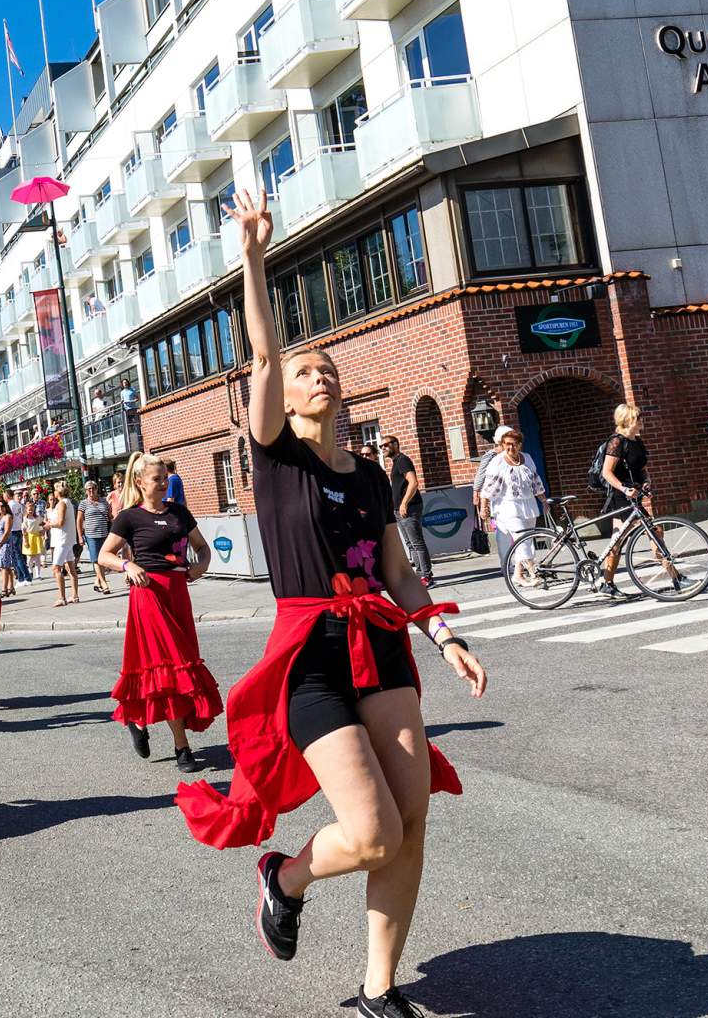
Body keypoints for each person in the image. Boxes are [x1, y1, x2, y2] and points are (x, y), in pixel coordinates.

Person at [174, 189, 486, 1018]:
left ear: (343, 395)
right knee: (373, 829)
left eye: (329, 372)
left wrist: (442, 634)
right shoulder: (277, 457)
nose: (318, 377)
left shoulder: (372, 474)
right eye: (308, 371)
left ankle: (378, 990)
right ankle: (284, 876)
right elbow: (266, 355)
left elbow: (398, 568)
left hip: (381, 644)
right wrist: (252, 256)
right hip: (310, 651)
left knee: (411, 821)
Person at [96, 451, 220, 774]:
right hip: (148, 596)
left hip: (178, 595)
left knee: (179, 665)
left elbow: (202, 547)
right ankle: (182, 747)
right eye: (157, 479)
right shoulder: (129, 517)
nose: (164, 483)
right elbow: (104, 555)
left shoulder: (179, 512)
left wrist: (201, 566)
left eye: (165, 477)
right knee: (170, 669)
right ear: (140, 482)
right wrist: (128, 564)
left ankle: (137, 719)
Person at [594, 404, 689, 597]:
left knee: (618, 541)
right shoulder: (616, 442)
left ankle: (606, 583)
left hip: (634, 494)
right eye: (638, 418)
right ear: (629, 420)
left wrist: (646, 481)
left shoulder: (636, 441)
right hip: (621, 496)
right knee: (655, 531)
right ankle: (676, 578)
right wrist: (624, 488)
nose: (642, 421)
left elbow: (640, 468)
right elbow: (606, 472)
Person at [478, 427, 547, 585]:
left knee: (527, 542)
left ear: (520, 445)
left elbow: (535, 481)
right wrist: (484, 507)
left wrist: (543, 500)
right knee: (521, 540)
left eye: (514, 444)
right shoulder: (498, 461)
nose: (511, 447)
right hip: (508, 506)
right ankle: (533, 572)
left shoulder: (527, 458)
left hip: (528, 505)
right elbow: (488, 487)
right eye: (507, 444)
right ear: (502, 444)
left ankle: (518, 575)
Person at [380, 437, 434, 588]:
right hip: (399, 509)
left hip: (409, 508)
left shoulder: (403, 460)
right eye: (381, 446)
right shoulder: (396, 462)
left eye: (386, 445)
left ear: (395, 445)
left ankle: (427, 576)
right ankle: (420, 574)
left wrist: (404, 503)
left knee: (417, 543)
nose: (383, 448)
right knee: (410, 544)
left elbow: (413, 482)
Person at [47, 480, 81, 607]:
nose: (54, 492)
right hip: (66, 539)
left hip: (62, 540)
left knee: (56, 567)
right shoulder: (68, 502)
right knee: (71, 567)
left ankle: (62, 597)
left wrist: (49, 525)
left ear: (58, 492)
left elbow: (60, 522)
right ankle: (75, 595)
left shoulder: (62, 503)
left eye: (55, 490)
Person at [81, 478, 114, 595]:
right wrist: (80, 536)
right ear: (86, 491)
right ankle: (104, 584)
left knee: (104, 560)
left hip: (104, 534)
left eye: (93, 488)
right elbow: (79, 521)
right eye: (89, 489)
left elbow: (110, 516)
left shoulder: (104, 501)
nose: (91, 491)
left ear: (96, 489)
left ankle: (97, 581)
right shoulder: (83, 503)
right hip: (91, 535)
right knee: (96, 559)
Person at [0, 498, 18, 598]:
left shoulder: (8, 517)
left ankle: (4, 589)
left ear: (6, 507)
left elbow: (6, 533)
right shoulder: (0, 517)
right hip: (0, 544)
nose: (0, 508)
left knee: (4, 567)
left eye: (2, 506)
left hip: (5, 544)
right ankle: (11, 587)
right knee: (6, 566)